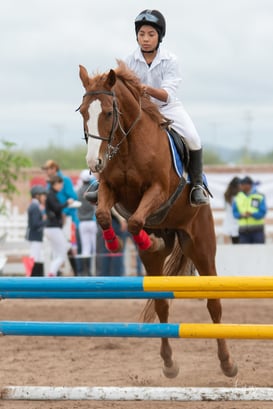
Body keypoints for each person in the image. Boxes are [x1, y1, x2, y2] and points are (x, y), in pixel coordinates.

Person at [86, 9, 209, 207]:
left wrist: (146, 88)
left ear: (159, 37)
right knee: (113, 133)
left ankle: (196, 185)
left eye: (151, 34)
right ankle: (100, 182)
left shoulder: (170, 60)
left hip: (167, 107)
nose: (145, 39)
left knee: (193, 138)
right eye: (141, 34)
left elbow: (167, 94)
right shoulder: (129, 60)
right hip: (140, 109)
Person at [42, 159, 80, 273]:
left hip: (66, 218)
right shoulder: (50, 185)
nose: (47, 171)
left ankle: (76, 273)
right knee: (61, 249)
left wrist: (65, 212)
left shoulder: (64, 181)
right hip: (56, 220)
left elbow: (73, 197)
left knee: (67, 248)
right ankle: (55, 273)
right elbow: (50, 204)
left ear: (54, 169)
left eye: (48, 169)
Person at [44, 175, 76, 276]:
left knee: (58, 253)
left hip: (53, 228)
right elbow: (57, 208)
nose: (61, 186)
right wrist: (67, 203)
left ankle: (53, 273)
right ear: (55, 184)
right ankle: (52, 273)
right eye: (60, 184)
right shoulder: (51, 195)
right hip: (53, 228)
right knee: (62, 254)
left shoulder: (52, 194)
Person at [232, 176, 267, 244]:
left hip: (257, 232)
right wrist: (241, 215)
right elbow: (234, 213)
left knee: (259, 252)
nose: (240, 186)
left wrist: (252, 214)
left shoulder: (259, 196)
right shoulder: (237, 197)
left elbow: (263, 212)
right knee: (244, 253)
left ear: (249, 185)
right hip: (243, 232)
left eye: (242, 184)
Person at [77, 169, 98, 275]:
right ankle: (95, 271)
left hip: (82, 222)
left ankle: (86, 271)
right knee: (95, 247)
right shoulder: (92, 190)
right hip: (92, 221)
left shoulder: (78, 191)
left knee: (85, 248)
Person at [25, 185, 47, 276]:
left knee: (36, 255)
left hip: (35, 235)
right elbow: (35, 223)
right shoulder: (35, 206)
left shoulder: (35, 205)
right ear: (37, 196)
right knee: (34, 256)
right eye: (42, 195)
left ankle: (34, 275)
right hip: (35, 235)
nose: (44, 197)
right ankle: (31, 275)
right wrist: (44, 221)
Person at [222, 177, 240, 244]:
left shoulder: (226, 195)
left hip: (229, 220)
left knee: (234, 243)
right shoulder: (239, 196)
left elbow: (225, 208)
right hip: (238, 221)